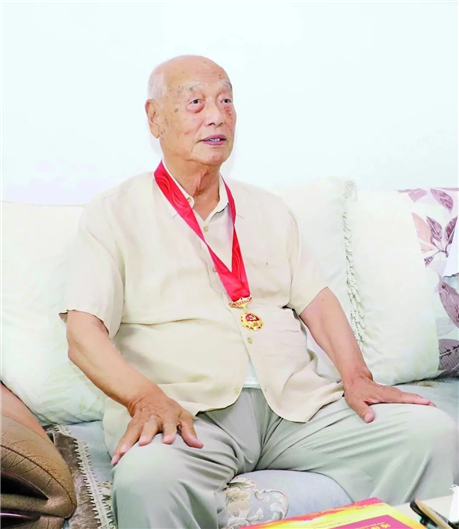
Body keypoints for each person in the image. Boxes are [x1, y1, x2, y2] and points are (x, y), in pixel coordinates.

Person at [60, 55, 457, 529]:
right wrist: (143, 397)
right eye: (195, 103)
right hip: (188, 412)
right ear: (155, 118)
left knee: (431, 435)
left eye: (226, 101)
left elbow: (317, 302)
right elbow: (83, 333)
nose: (216, 116)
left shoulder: (268, 209)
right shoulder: (114, 213)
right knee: (149, 479)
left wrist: (356, 376)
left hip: (295, 406)